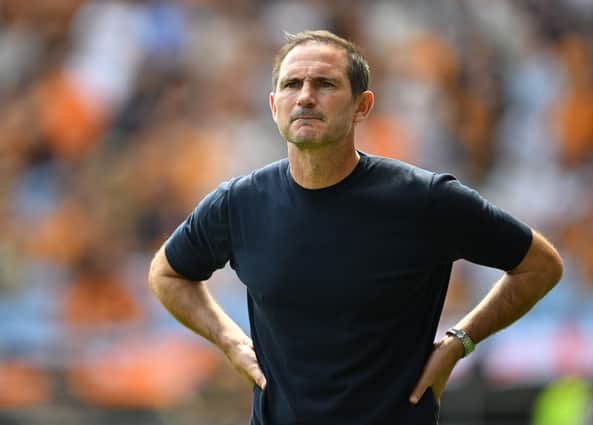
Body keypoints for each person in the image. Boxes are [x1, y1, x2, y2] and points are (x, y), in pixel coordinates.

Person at [148, 30, 563, 425]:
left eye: (325, 84)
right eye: (292, 84)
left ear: (362, 106)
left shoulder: (424, 200)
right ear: (274, 105)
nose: (305, 96)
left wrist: (459, 342)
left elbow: (540, 265)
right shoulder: (238, 204)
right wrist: (230, 340)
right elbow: (167, 274)